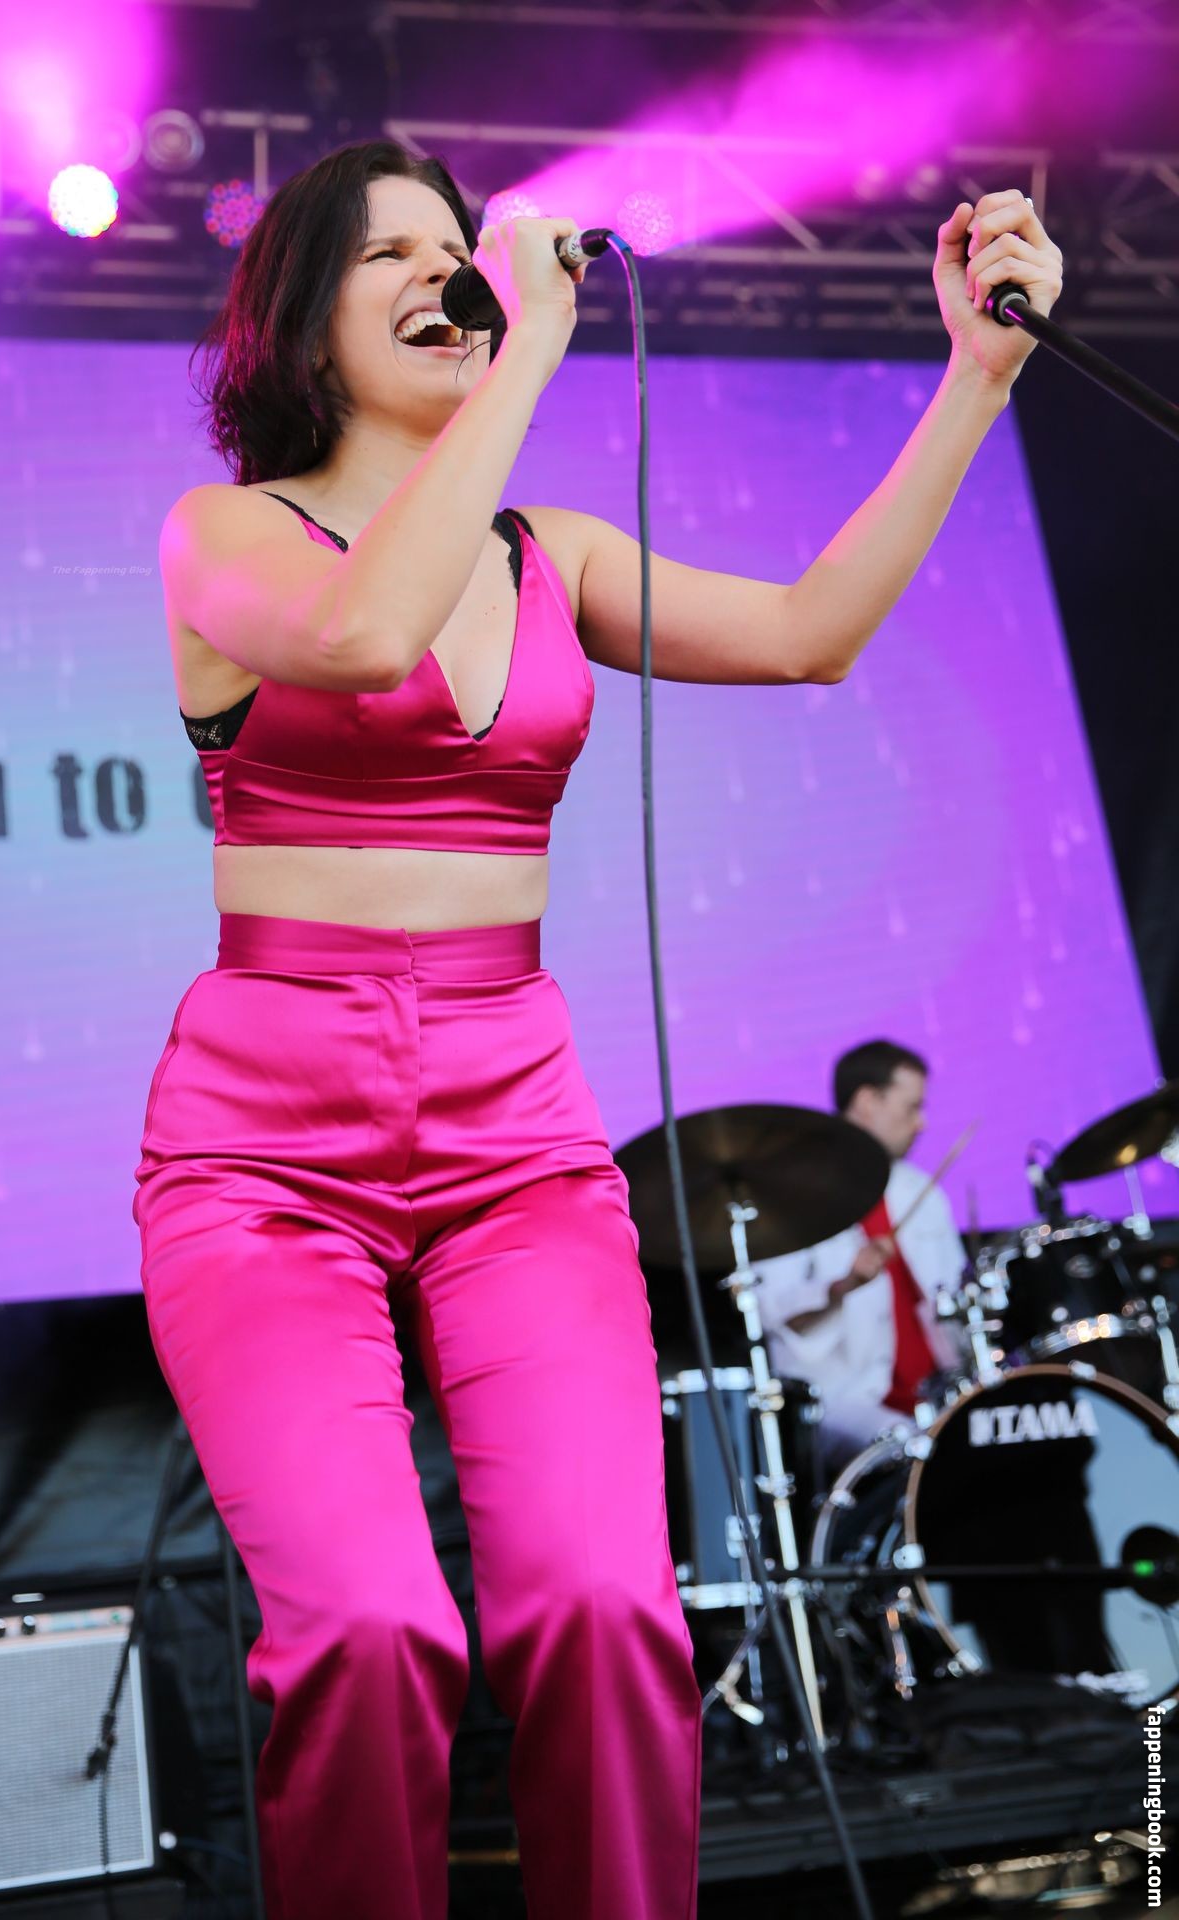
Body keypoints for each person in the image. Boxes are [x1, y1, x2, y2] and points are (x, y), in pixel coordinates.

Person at [131, 135, 1062, 1920]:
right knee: (372, 1636)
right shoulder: (228, 535)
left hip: (516, 1139)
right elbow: (366, 629)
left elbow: (808, 633)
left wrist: (978, 376)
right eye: (392, 254)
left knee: (604, 1612)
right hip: (264, 1154)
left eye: (457, 244)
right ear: (303, 321)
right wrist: (531, 349)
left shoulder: (550, 555)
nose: (448, 270)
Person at [755, 1041, 970, 1469]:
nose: (922, 1122)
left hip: (938, 1394)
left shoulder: (922, 1192)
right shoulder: (792, 1192)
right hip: (842, 1400)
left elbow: (954, 1302)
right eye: (912, 1107)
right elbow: (772, 1311)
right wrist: (843, 1285)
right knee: (922, 1452)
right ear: (868, 1101)